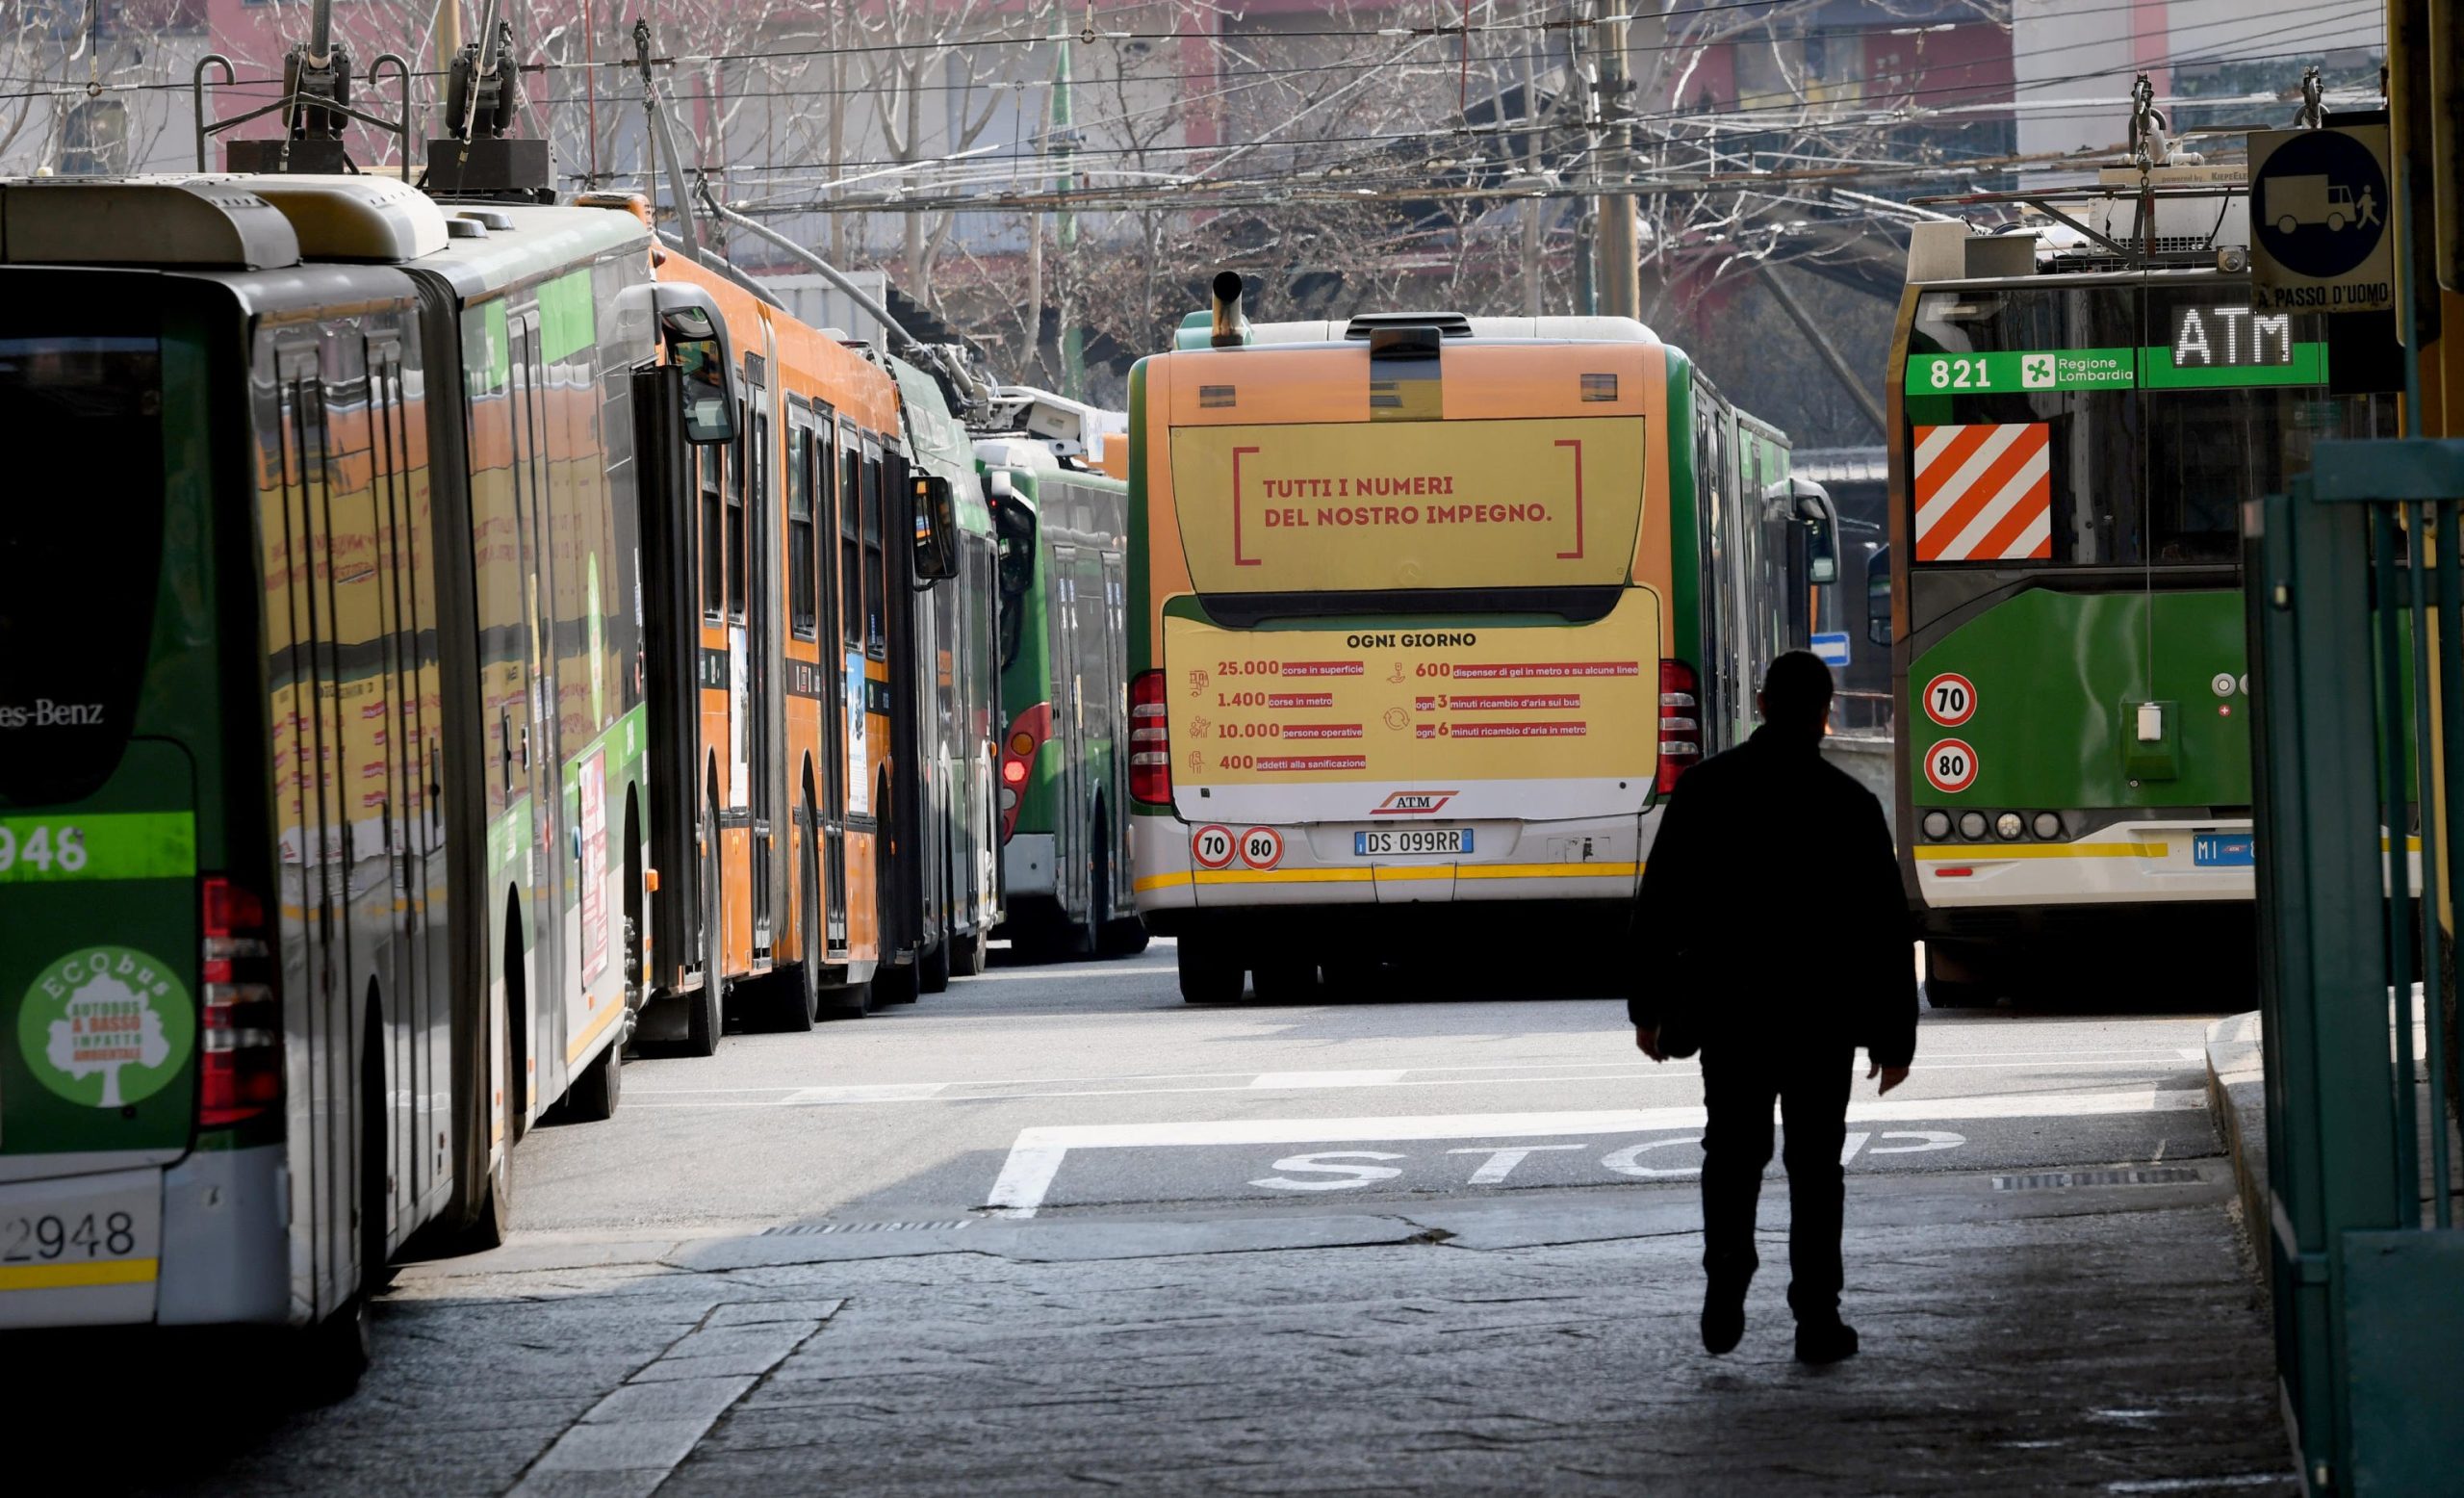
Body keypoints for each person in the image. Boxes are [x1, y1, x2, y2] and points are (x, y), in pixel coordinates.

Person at [1629, 650, 1917, 1364]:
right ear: (1826, 712)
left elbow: (1659, 905)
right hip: (1821, 1019)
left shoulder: (1704, 790)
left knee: (1731, 1152)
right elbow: (1884, 930)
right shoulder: (1850, 805)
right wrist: (1894, 1036)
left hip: (1730, 1010)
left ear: (1760, 704)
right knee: (1816, 1167)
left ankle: (1726, 1271)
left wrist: (1650, 1005)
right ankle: (1817, 1317)